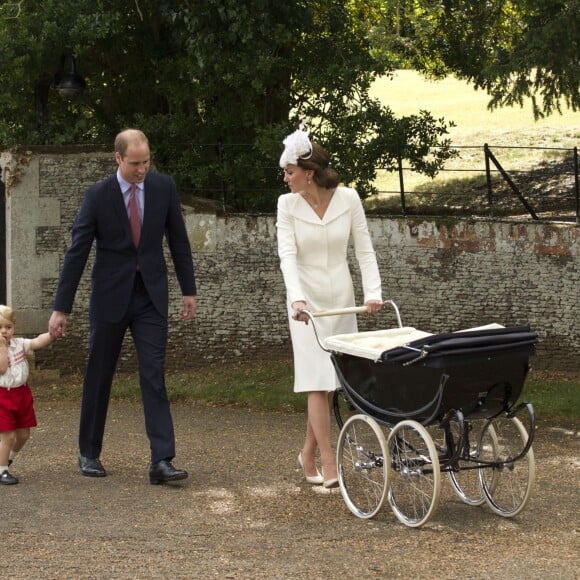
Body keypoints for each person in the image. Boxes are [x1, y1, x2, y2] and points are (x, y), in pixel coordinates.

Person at [48, 128, 197, 485]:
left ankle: (162, 460)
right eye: (134, 163)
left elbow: (178, 239)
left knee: (153, 375)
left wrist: (188, 290)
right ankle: (89, 452)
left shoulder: (164, 187)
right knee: (99, 375)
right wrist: (61, 308)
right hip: (109, 298)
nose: (142, 169)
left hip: (151, 297)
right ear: (118, 158)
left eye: (146, 162)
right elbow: (77, 252)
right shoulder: (97, 196)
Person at [276, 125, 383, 488]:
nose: (286, 178)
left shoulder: (348, 198)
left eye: (290, 172)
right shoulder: (286, 205)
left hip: (342, 301)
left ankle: (307, 453)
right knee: (315, 381)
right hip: (306, 305)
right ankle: (328, 460)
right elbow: (287, 257)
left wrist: (373, 293)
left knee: (330, 380)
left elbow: (364, 249)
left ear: (309, 172)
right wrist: (297, 299)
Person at [0, 305, 54, 485]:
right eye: (0, 328)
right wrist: (1, 347)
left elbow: (37, 342)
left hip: (22, 393)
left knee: (23, 434)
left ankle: (7, 459)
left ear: (14, 327)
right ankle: (2, 471)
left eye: (8, 327)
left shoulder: (19, 344)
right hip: (3, 396)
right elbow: (2, 368)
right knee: (7, 435)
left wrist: (52, 333)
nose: (4, 331)